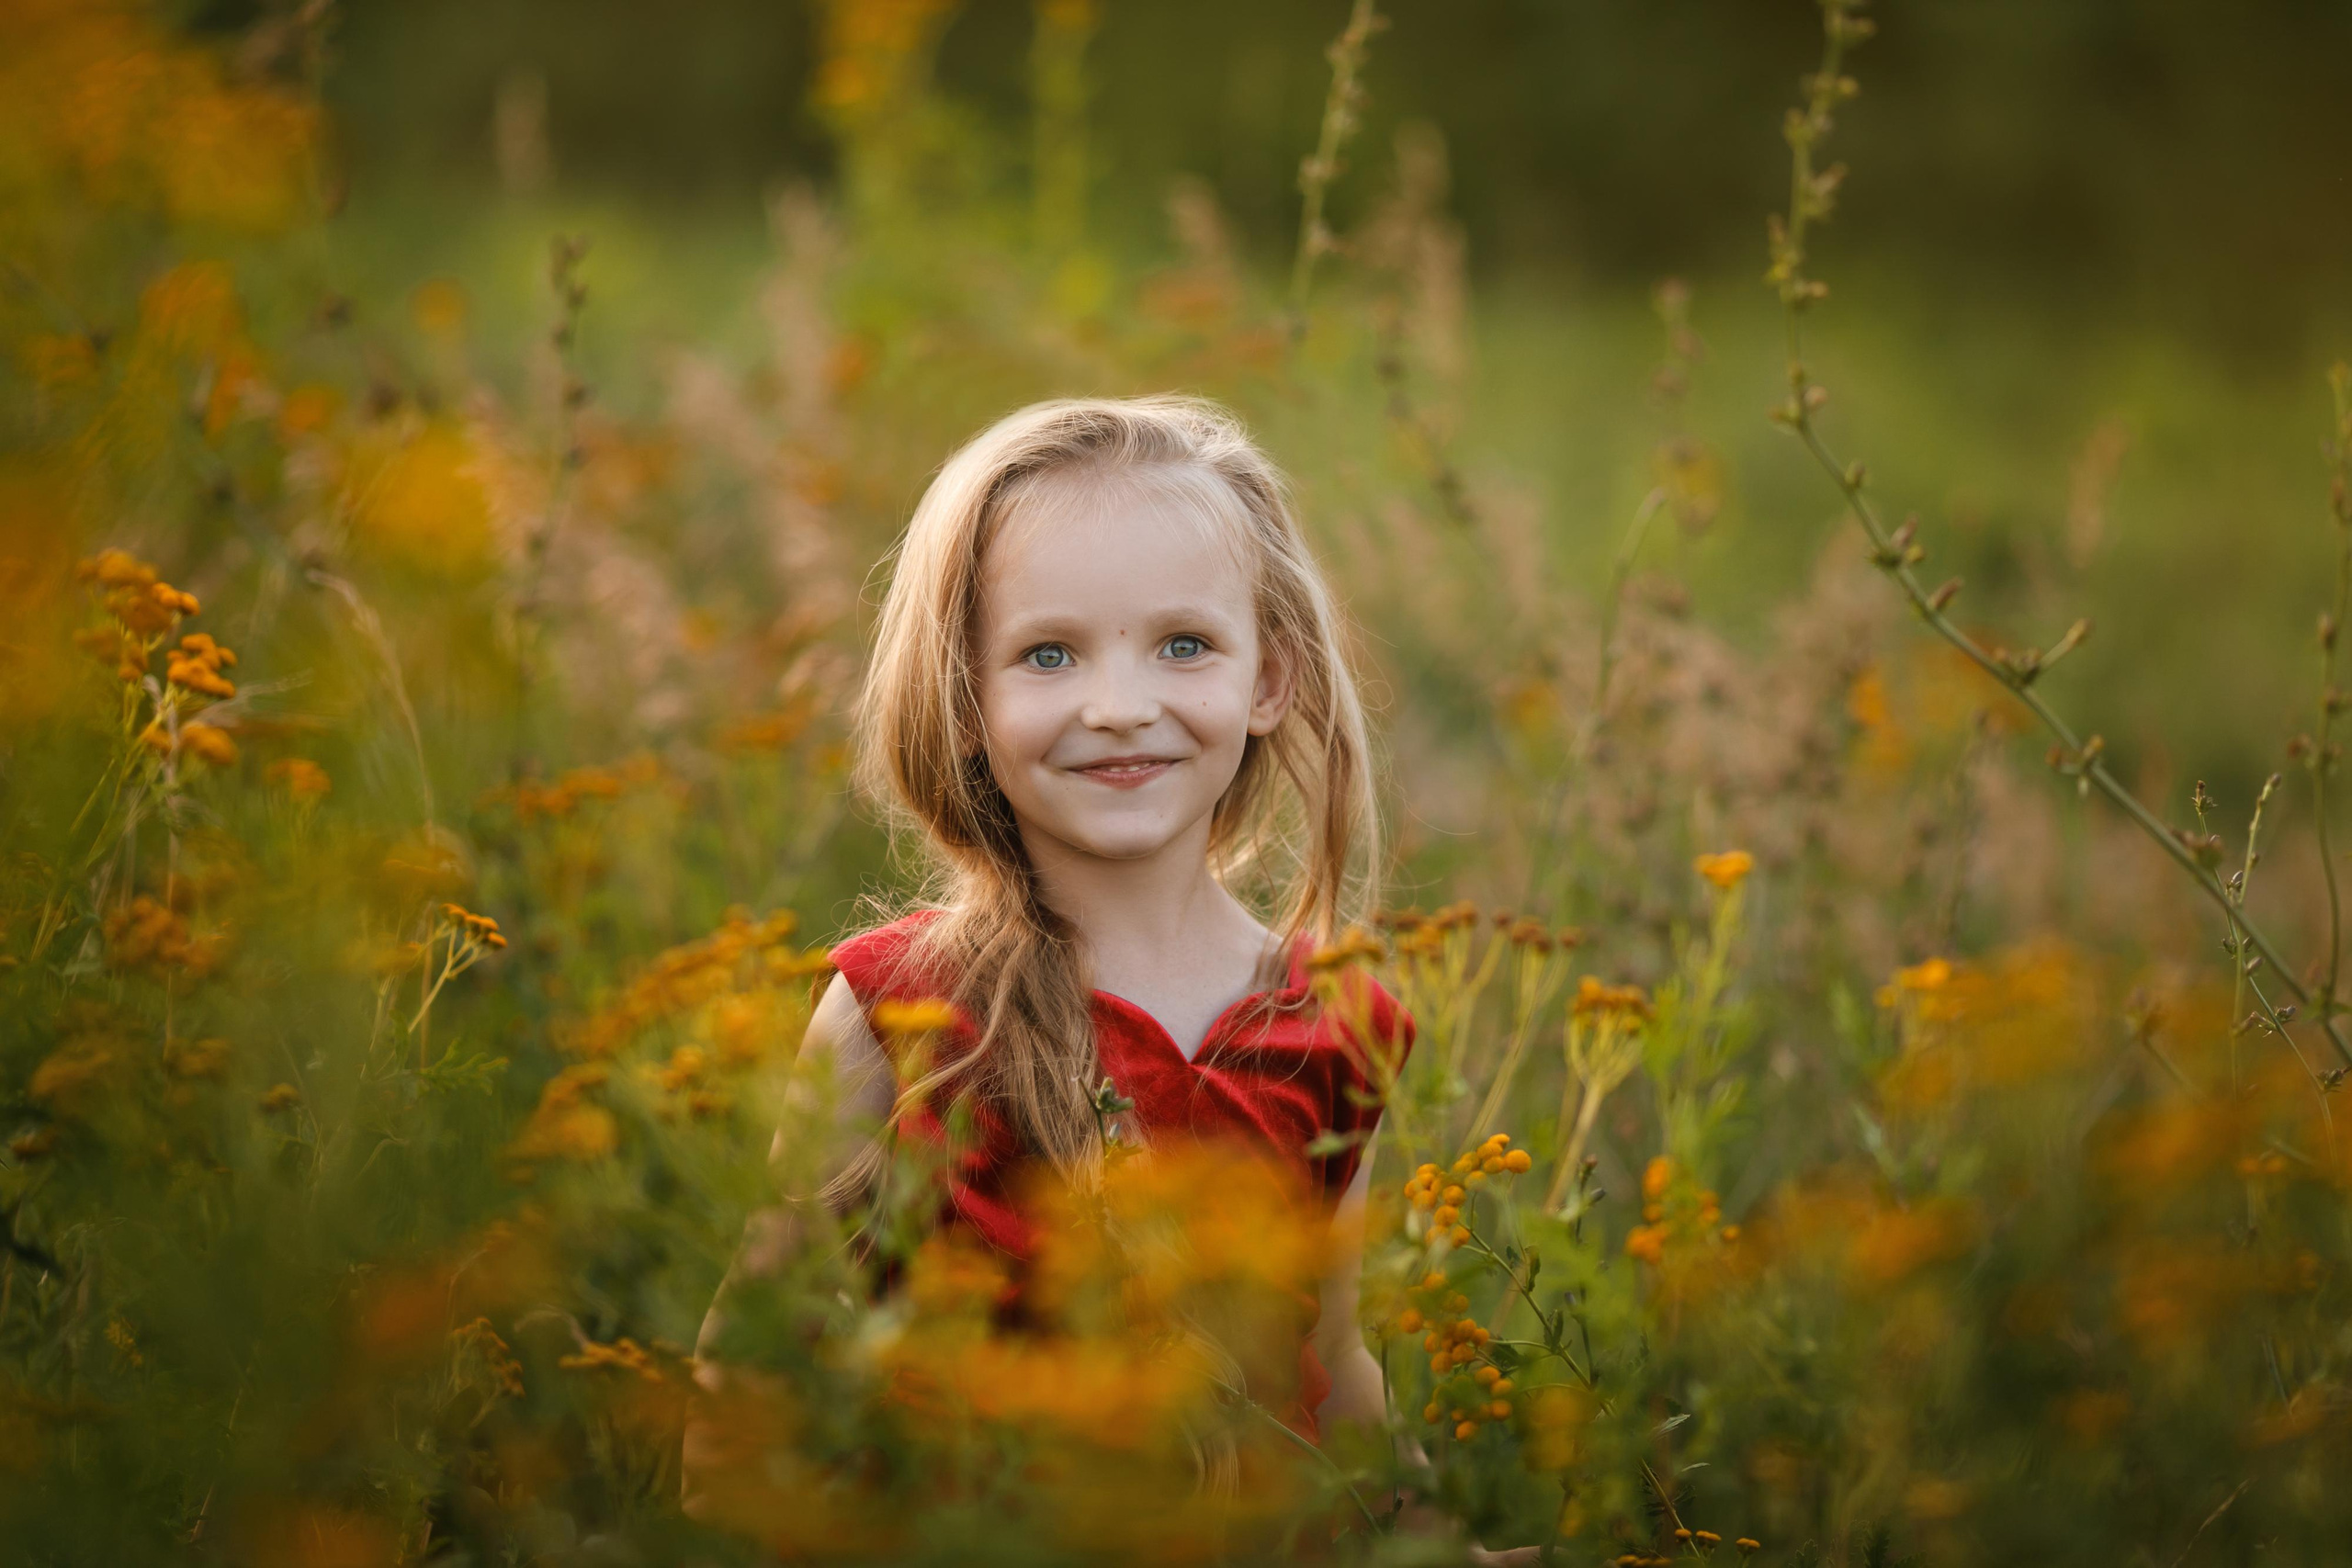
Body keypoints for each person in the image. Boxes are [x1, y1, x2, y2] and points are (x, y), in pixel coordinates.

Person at [684, 395, 1536, 1562]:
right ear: (966, 700)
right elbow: (752, 1366)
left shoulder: (1339, 1029)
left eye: (1183, 645)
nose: (1120, 706)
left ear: (1268, 681)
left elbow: (1330, 1369)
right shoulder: (897, 1013)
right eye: (1048, 654)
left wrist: (1436, 1547)